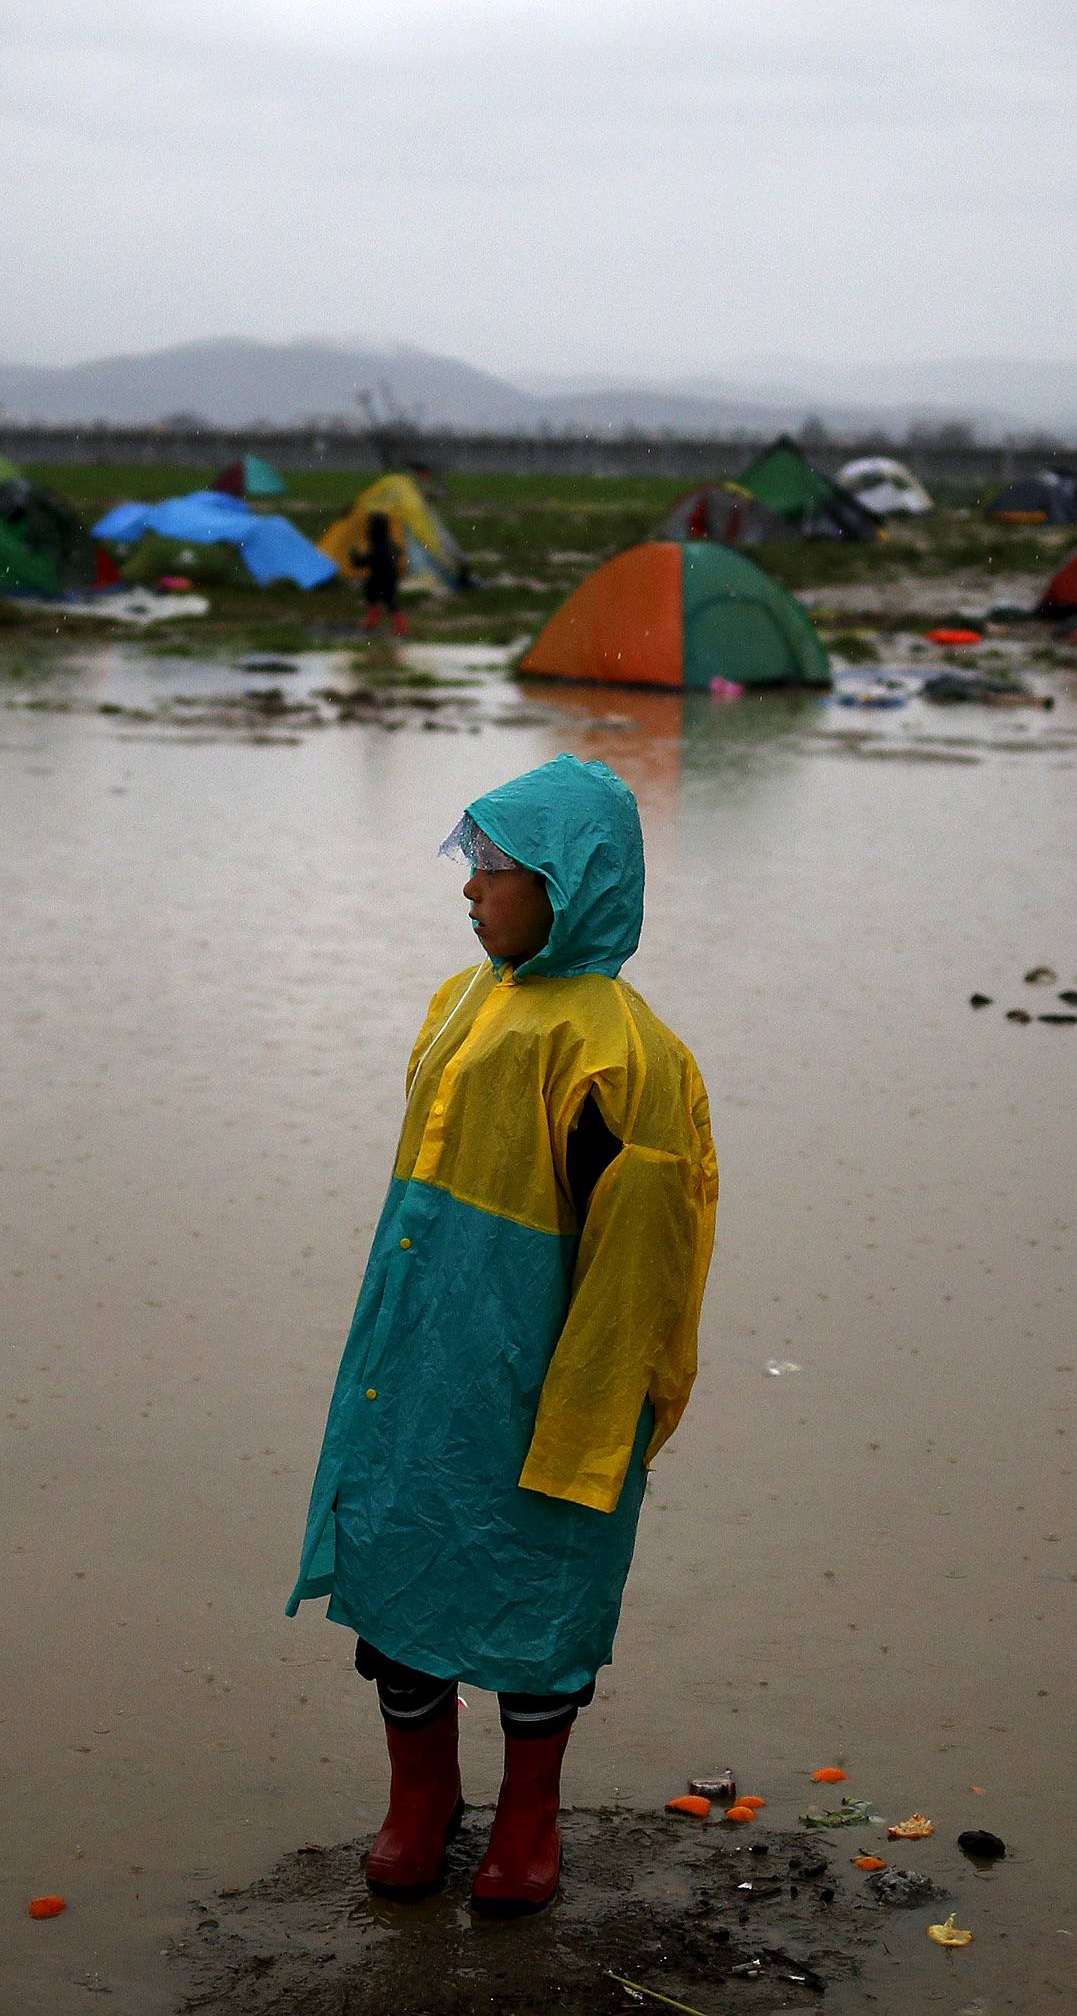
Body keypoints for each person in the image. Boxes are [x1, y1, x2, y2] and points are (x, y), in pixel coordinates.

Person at [287, 755, 717, 1914]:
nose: (469, 888)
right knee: (404, 1563)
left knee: (538, 1588)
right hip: (422, 1357)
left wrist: (590, 1417)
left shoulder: (628, 1056)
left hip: (542, 1366)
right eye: (467, 861)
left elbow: (636, 1270)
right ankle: (421, 1800)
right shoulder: (463, 1000)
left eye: (492, 867)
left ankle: (529, 1816)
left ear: (567, 886)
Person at [353, 508, 407, 636]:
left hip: (379, 577)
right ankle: (400, 626)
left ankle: (374, 621)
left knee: (373, 596)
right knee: (388, 600)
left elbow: (367, 561)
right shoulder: (388, 541)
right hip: (390, 576)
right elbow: (398, 552)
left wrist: (355, 558)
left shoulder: (377, 543)